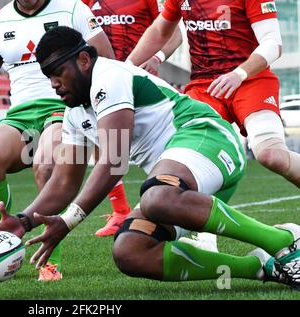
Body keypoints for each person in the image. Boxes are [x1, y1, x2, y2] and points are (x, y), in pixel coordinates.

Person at [0, 26, 300, 290]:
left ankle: (284, 242)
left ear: (84, 60)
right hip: (182, 190)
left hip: (208, 138)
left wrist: (69, 221)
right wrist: (24, 221)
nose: (54, 83)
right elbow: (65, 181)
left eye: (58, 72)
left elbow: (113, 161)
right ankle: (261, 268)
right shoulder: (74, 115)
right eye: (48, 76)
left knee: (156, 196)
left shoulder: (108, 77)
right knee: (130, 252)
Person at [0, 0, 114, 281]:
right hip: (21, 114)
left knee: (47, 164)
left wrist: (96, 112)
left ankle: (50, 263)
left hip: (64, 107)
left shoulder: (73, 9)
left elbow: (106, 60)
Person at [126, 0, 300, 249]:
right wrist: (126, 69)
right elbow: (160, 29)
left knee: (271, 155)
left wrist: (239, 73)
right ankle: (204, 237)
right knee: (187, 159)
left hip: (251, 79)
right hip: (204, 86)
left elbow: (273, 43)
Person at [82, 0, 183, 237]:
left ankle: (179, 199)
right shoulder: (86, 3)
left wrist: (157, 57)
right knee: (100, 141)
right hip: (102, 83)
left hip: (139, 79)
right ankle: (120, 211)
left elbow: (174, 34)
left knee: (162, 142)